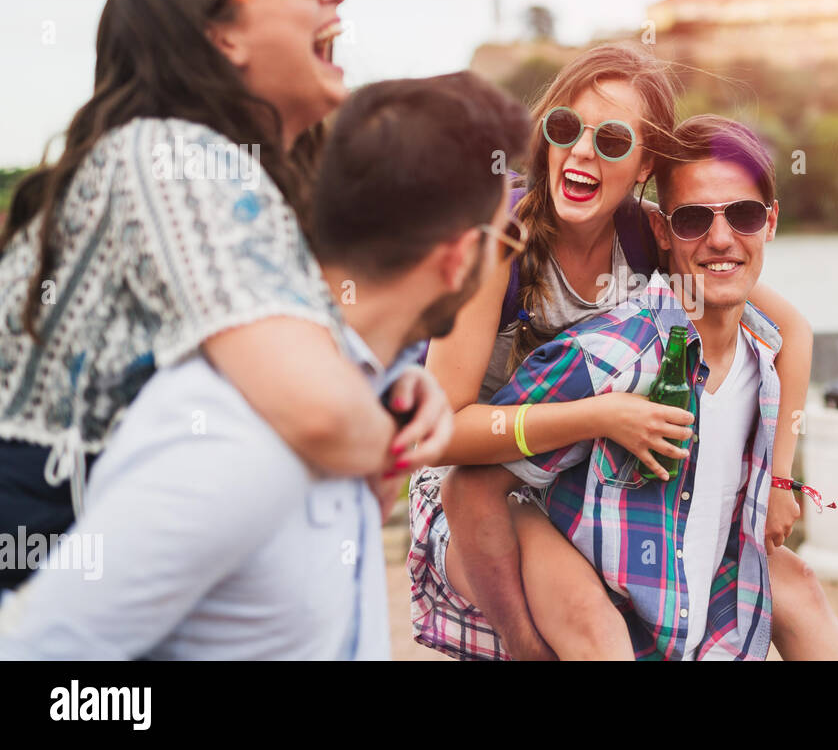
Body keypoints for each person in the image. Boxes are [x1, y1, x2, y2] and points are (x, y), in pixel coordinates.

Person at [0, 73, 531, 660]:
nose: (509, 258)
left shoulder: (359, 403)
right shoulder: (238, 440)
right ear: (459, 258)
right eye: (506, 241)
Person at [0, 0, 447, 592]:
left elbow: (346, 455)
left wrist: (392, 396)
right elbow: (326, 423)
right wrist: (382, 424)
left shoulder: (240, 186)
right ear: (221, 34)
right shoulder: (165, 155)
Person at [409, 45, 836, 660]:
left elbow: (790, 332)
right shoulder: (495, 242)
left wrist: (777, 480)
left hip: (575, 474)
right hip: (479, 487)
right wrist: (599, 416)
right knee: (594, 632)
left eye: (611, 140)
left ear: (644, 166)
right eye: (565, 128)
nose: (582, 151)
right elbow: (436, 435)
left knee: (789, 585)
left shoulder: (649, 237)